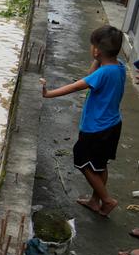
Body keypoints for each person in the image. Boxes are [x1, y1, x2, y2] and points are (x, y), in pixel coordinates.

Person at [40, 26, 126, 217]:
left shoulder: (102, 74)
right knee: (100, 164)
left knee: (82, 161)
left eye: (93, 46)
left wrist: (48, 94)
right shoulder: (119, 67)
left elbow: (76, 86)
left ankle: (107, 200)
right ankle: (95, 201)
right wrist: (97, 60)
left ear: (96, 50)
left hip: (96, 127)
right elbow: (90, 74)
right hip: (113, 124)